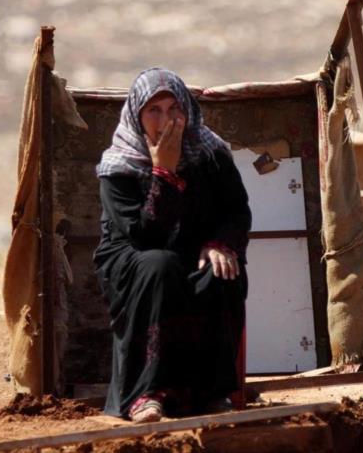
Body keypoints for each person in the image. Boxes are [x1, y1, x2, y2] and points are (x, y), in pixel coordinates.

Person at [93, 68, 251, 423]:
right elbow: (143, 237)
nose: (166, 121)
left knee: (221, 271)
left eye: (173, 109)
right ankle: (144, 396)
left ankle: (210, 393)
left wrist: (218, 243)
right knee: (159, 266)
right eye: (154, 111)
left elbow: (236, 210)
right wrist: (162, 173)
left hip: (193, 252)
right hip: (132, 260)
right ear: (137, 115)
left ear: (188, 111)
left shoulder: (211, 154)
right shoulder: (119, 165)